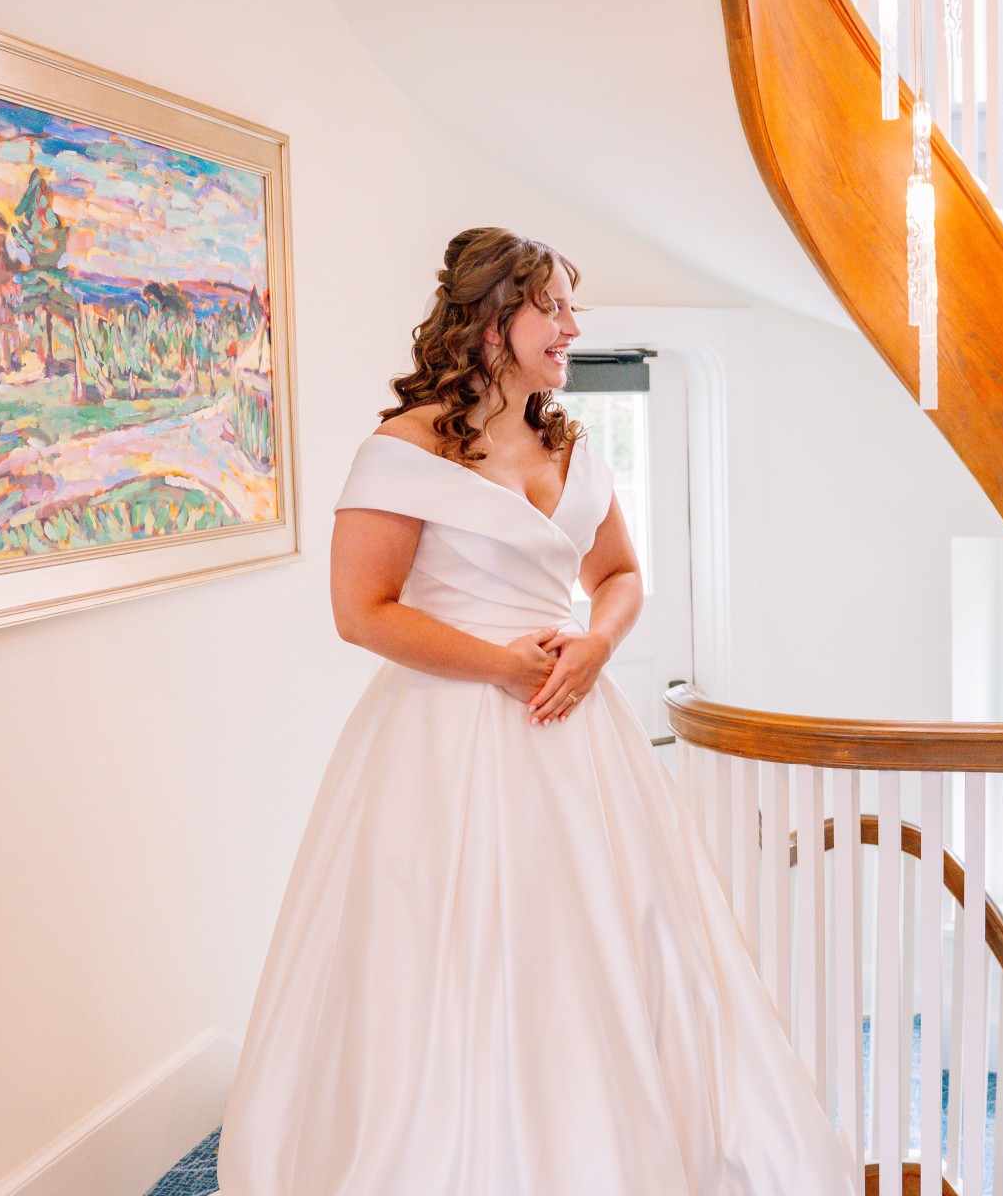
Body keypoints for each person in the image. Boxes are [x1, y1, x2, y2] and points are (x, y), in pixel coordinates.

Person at [216, 227, 856, 1195]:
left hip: (576, 727)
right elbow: (362, 611)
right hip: (446, 730)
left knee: (605, 938)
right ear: (491, 318)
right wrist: (503, 667)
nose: (570, 326)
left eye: (569, 307)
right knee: (453, 948)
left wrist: (597, 643)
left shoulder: (571, 439)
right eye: (552, 307)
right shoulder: (404, 448)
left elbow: (621, 573)